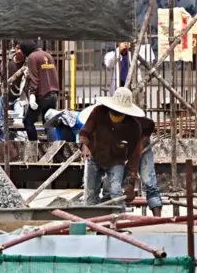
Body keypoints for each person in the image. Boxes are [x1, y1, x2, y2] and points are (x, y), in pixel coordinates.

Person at [79, 88, 162, 216]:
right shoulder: (99, 112)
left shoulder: (134, 126)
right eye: (114, 112)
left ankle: (120, 218)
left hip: (117, 159)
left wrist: (130, 182)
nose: (116, 116)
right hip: (95, 155)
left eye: (120, 113)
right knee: (90, 193)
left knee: (116, 190)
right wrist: (84, 146)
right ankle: (92, 221)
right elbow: (84, 132)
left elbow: (134, 158)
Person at [19, 40, 59, 141]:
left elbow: (35, 78)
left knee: (28, 122)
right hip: (53, 94)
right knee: (49, 122)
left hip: (42, 95)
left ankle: (34, 147)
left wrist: (32, 95)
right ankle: (53, 147)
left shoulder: (32, 57)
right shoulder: (48, 55)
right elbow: (52, 75)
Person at [8, 42, 27, 116]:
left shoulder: (27, 63)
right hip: (6, 97)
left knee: (18, 120)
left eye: (21, 49)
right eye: (18, 48)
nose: (19, 51)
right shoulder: (7, 61)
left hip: (19, 98)